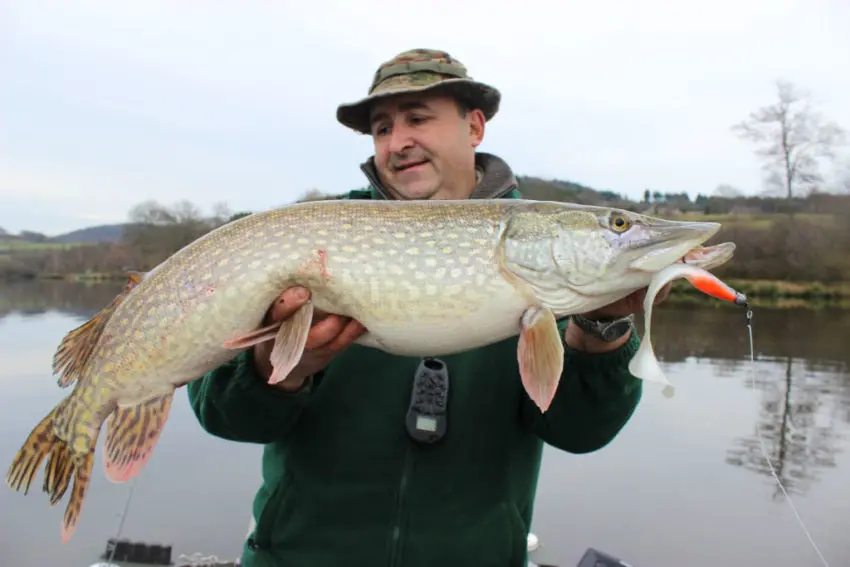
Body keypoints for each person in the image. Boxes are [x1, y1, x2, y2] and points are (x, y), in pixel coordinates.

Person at [187, 48, 670, 567]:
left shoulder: (540, 253)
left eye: (418, 118)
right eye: (381, 128)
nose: (398, 142)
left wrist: (601, 328)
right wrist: (279, 373)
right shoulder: (315, 235)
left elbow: (580, 432)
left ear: (475, 127)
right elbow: (225, 417)